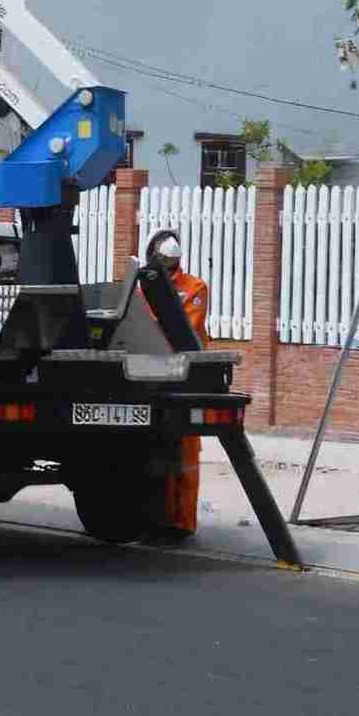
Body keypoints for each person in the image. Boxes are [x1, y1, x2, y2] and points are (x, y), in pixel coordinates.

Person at [145, 229, 208, 542]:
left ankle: (181, 523)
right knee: (156, 452)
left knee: (184, 454)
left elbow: (187, 329)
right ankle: (155, 519)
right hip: (150, 373)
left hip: (185, 377)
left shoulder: (194, 287)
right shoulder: (144, 287)